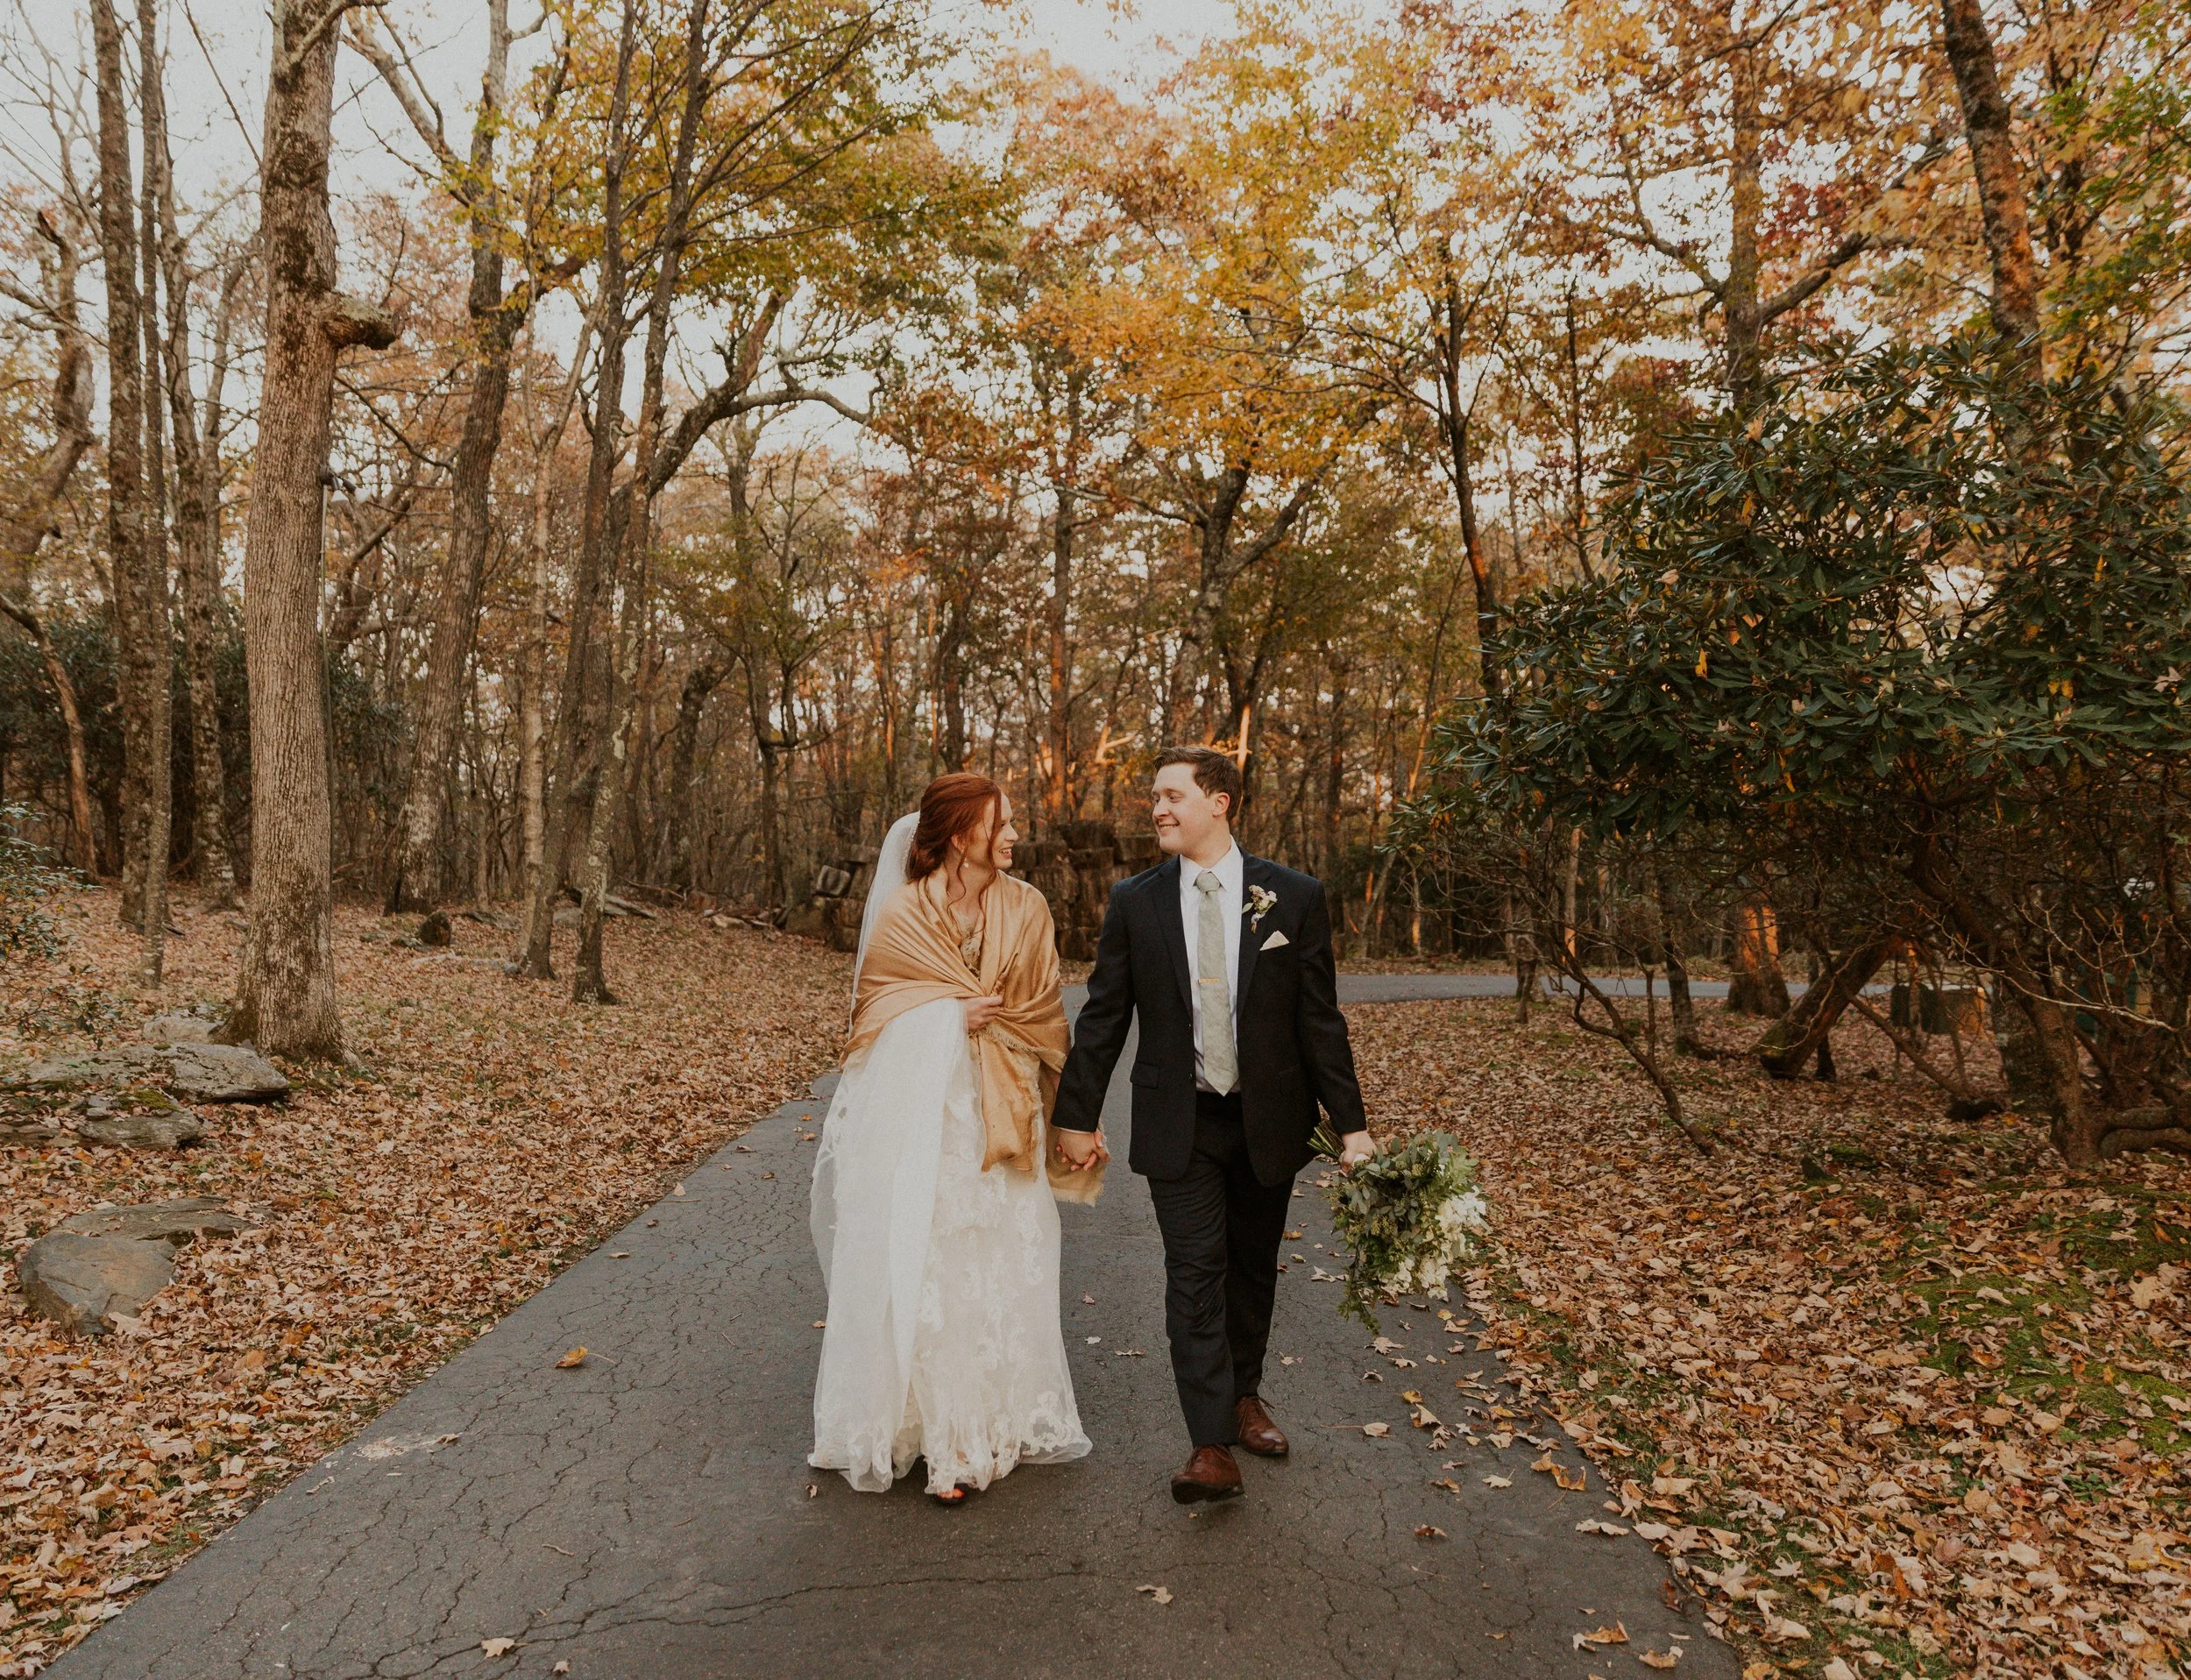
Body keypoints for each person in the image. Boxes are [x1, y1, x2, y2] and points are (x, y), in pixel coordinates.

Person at [1051, 746, 1372, 1504]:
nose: (1158, 809)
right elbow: (1103, 1016)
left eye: (1172, 795)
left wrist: (1351, 1125)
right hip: (1179, 1119)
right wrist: (1075, 1114)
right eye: (1155, 798)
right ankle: (1208, 1445)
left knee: (1252, 1267)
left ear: (1220, 801)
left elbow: (1319, 1020)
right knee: (1195, 1271)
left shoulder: (1292, 897)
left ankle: (1244, 1395)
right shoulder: (1136, 901)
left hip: (1270, 1118)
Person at [809, 773, 1106, 1503]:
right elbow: (871, 1026)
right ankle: (944, 1439)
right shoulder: (904, 914)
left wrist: (1076, 1114)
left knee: (1001, 1265)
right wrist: (948, 1018)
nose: (1013, 835)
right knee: (932, 1267)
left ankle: (987, 1424)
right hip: (928, 1124)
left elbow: (1043, 1018)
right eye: (1000, 823)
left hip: (1004, 1115)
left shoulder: (1028, 907)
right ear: (959, 832)